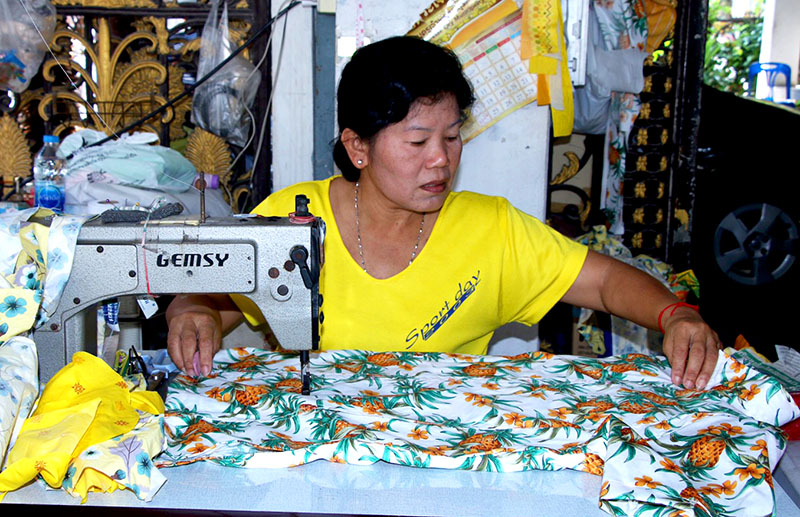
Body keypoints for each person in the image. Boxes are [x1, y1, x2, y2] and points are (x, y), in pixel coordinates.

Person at [167, 36, 721, 390]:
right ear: (357, 146)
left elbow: (603, 282)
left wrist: (677, 317)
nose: (441, 160)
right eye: (417, 142)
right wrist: (188, 311)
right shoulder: (290, 218)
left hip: (455, 460)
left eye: (453, 137)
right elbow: (213, 301)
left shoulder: (491, 231)